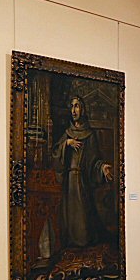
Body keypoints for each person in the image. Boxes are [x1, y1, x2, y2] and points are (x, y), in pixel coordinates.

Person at [52, 96, 113, 248]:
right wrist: (66, 143)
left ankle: (84, 241)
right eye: (72, 106)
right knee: (70, 213)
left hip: (82, 180)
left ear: (83, 110)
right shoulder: (67, 133)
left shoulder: (90, 135)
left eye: (77, 106)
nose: (74, 110)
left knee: (83, 214)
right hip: (69, 180)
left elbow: (94, 161)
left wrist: (102, 168)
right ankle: (70, 242)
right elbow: (55, 153)